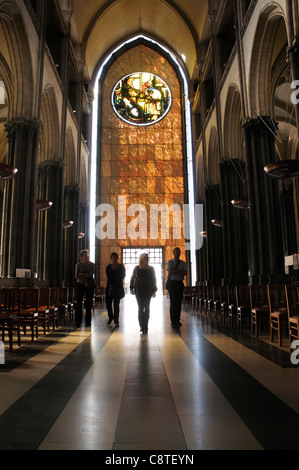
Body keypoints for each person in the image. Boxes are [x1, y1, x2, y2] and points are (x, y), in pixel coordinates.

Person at [130, 253, 157, 334]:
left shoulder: (151, 268)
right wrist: (131, 288)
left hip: (148, 290)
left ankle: (146, 325)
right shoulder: (137, 268)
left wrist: (154, 290)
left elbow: (153, 279)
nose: (147, 259)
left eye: (147, 258)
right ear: (141, 259)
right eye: (145, 258)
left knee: (147, 307)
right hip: (139, 290)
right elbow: (132, 278)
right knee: (141, 308)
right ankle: (141, 325)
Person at [166, 247, 187, 327]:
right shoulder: (170, 262)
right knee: (173, 302)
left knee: (178, 302)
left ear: (180, 253)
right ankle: (173, 320)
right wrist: (180, 272)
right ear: (173, 253)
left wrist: (176, 272)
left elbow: (185, 272)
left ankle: (177, 320)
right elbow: (170, 271)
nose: (177, 253)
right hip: (172, 283)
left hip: (179, 283)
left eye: (179, 252)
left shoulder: (183, 263)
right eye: (176, 252)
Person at [75, 249, 95, 327]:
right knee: (79, 302)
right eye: (84, 255)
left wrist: (82, 274)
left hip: (89, 285)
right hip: (80, 284)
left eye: (87, 255)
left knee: (88, 303)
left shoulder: (92, 264)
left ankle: (88, 321)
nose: (86, 256)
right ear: (81, 257)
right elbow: (76, 275)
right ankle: (78, 320)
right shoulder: (78, 265)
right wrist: (86, 275)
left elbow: (91, 275)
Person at [105, 252, 125, 326]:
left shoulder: (121, 267)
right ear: (111, 258)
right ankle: (111, 317)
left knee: (116, 305)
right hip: (109, 287)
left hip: (118, 287)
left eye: (115, 257)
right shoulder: (108, 267)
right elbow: (107, 275)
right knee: (108, 303)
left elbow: (123, 275)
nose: (114, 259)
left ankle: (116, 320)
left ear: (117, 258)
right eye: (113, 257)